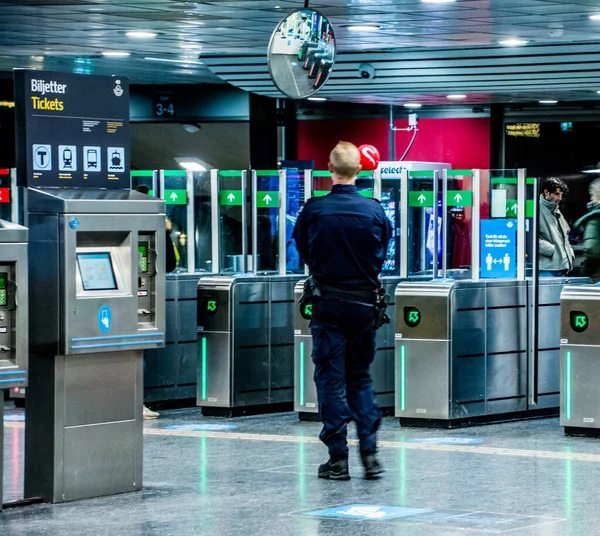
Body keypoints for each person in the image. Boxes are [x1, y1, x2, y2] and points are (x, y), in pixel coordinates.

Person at [292, 141, 392, 480]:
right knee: (360, 378)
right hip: (365, 306)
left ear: (329, 169)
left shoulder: (314, 210)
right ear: (359, 169)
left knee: (330, 380)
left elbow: (304, 250)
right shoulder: (375, 211)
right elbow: (383, 252)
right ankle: (370, 455)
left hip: (328, 305)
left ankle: (337, 459)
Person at [135, 184, 177, 419]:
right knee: (138, 351)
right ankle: (135, 403)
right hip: (139, 297)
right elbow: (169, 264)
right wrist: (166, 233)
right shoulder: (149, 231)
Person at [538, 177, 574, 277]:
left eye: (561, 194)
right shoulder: (536, 210)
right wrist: (551, 250)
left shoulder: (555, 210)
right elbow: (528, 239)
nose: (559, 198)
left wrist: (569, 252)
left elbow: (565, 235)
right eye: (557, 194)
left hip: (561, 265)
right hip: (547, 267)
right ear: (546, 192)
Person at [574, 178, 600, 283]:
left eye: (592, 195)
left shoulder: (595, 218)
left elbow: (591, 249)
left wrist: (584, 271)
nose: (591, 198)